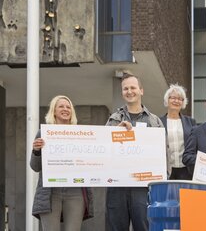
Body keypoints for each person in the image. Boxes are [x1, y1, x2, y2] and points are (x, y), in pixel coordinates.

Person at [105, 73, 164, 231]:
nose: (129, 91)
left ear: (141, 91)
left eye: (133, 87)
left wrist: (161, 179)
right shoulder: (113, 120)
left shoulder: (154, 121)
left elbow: (164, 154)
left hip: (143, 186)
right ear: (122, 92)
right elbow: (104, 149)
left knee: (144, 227)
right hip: (118, 185)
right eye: (125, 89)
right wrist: (115, 134)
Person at [31, 95, 94, 231]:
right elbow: (35, 167)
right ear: (54, 111)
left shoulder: (81, 134)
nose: (65, 109)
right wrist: (36, 150)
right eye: (61, 106)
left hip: (75, 192)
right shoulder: (43, 134)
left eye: (68, 107)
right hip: (50, 193)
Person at [160, 84, 196, 180]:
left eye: (180, 99)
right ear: (167, 100)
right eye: (173, 98)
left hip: (186, 170)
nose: (176, 101)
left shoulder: (191, 122)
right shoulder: (158, 122)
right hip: (166, 169)